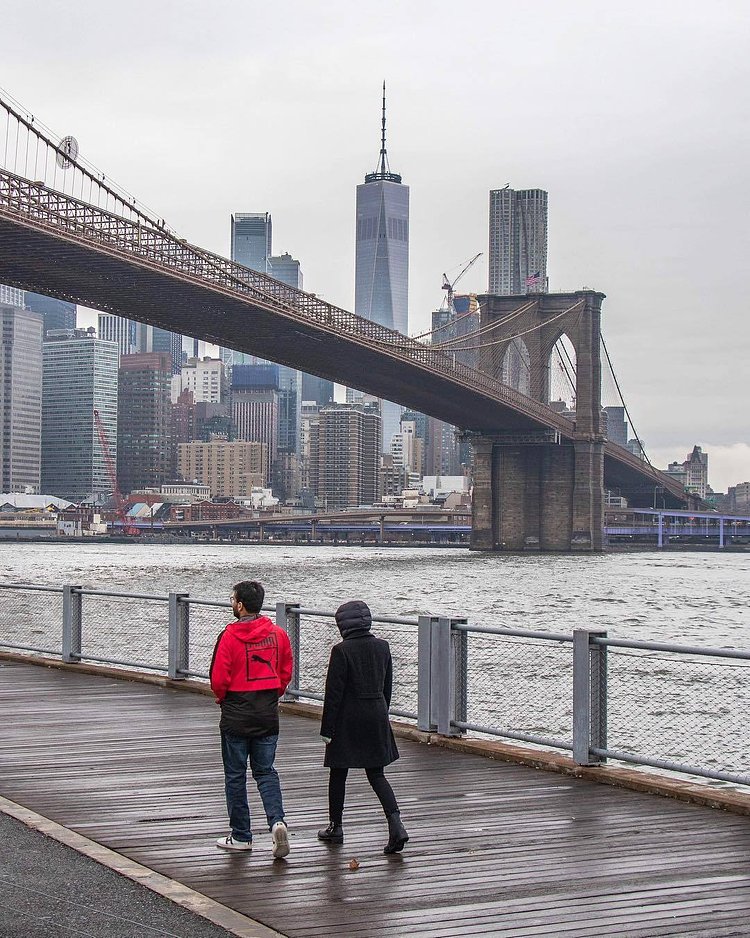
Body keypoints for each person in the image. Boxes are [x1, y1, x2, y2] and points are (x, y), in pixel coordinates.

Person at [317, 600, 409, 854]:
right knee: (377, 775)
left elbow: (333, 694)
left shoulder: (341, 651)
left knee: (338, 772)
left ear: (343, 625)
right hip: (376, 714)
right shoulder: (383, 647)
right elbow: (387, 687)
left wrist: (327, 730)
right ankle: (396, 824)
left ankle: (336, 827)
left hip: (347, 719)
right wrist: (380, 712)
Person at [209, 580, 293, 858]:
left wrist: (222, 698)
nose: (232, 603)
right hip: (266, 714)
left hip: (236, 714)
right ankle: (277, 822)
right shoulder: (278, 635)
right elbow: (285, 671)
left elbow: (219, 678)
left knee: (235, 776)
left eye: (233, 599)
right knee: (266, 772)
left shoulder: (229, 636)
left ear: (240, 605)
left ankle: (242, 836)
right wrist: (272, 694)